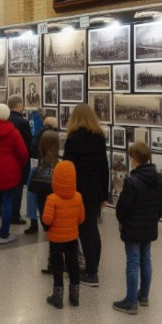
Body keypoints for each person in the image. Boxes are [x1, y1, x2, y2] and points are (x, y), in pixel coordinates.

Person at [112, 141, 162, 315]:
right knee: (146, 259)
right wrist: (154, 219)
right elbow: (160, 204)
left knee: (133, 262)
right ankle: (144, 296)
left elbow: (123, 206)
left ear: (135, 159)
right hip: (149, 225)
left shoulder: (131, 181)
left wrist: (120, 220)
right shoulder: (157, 178)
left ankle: (131, 301)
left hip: (133, 227)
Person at [63, 103, 109, 287]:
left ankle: (91, 273)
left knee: (83, 231)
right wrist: (104, 195)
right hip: (95, 191)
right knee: (93, 230)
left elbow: (68, 168)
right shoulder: (99, 138)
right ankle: (93, 268)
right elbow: (104, 168)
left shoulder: (73, 139)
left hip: (78, 191)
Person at [0, 103, 28, 244]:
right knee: (7, 201)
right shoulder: (13, 132)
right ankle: (4, 234)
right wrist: (20, 164)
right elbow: (23, 153)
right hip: (11, 169)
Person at [42, 160, 85, 309]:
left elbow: (47, 220)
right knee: (73, 265)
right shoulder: (78, 197)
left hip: (56, 240)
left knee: (58, 265)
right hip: (72, 237)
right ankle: (75, 297)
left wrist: (46, 227)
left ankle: (58, 297)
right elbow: (81, 218)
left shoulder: (52, 199)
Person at [26, 116, 58, 235]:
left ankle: (35, 223)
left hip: (37, 167)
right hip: (45, 168)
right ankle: (47, 224)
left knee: (35, 197)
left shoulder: (39, 132)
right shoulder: (50, 134)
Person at [7, 95, 32, 227]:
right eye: (22, 104)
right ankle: (15, 215)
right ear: (18, 106)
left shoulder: (5, 120)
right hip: (19, 160)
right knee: (17, 188)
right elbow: (28, 143)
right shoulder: (23, 122)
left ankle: (5, 211)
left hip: (6, 159)